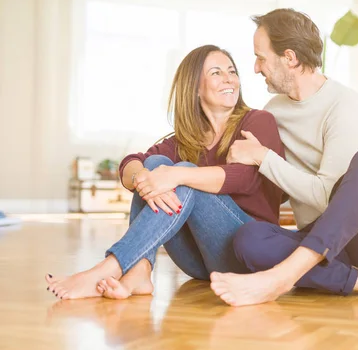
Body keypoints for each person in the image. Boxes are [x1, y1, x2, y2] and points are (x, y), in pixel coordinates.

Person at [210, 9, 358, 307]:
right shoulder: (273, 111)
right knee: (248, 239)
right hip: (322, 242)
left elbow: (328, 198)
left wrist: (263, 158)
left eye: (261, 57)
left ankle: (282, 277)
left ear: (290, 58)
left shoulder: (345, 105)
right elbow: (280, 190)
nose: (256, 68)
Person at [45, 45, 285, 300]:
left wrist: (178, 176)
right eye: (216, 72)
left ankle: (112, 266)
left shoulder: (259, 120)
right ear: (194, 88)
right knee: (155, 164)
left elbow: (246, 178)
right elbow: (131, 162)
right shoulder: (184, 141)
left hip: (246, 254)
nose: (229, 79)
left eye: (232, 71)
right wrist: (143, 178)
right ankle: (139, 270)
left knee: (180, 172)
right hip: (200, 263)